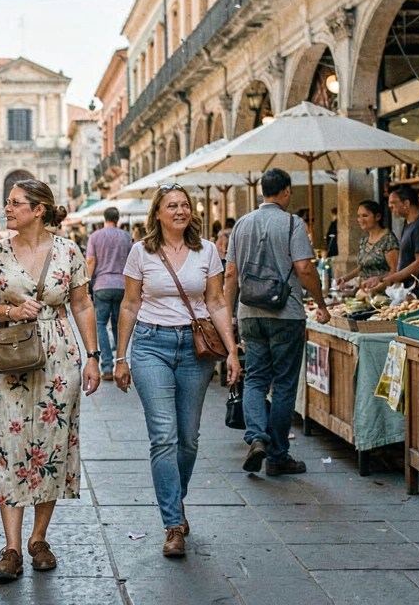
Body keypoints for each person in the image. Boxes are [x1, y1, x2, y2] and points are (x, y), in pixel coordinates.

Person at [0, 179, 100, 581]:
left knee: (50, 445)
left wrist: (93, 357)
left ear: (39, 209)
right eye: (7, 202)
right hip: (10, 355)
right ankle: (11, 547)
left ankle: (38, 539)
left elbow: (82, 304)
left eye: (15, 203)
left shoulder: (68, 251)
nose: (7, 208)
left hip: (59, 357)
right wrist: (9, 311)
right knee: (8, 446)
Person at [113, 184, 241, 557]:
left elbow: (217, 301)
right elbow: (130, 304)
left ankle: (174, 499)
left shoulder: (208, 251)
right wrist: (120, 357)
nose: (180, 211)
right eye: (172, 206)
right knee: (164, 436)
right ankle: (172, 524)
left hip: (196, 349)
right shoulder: (141, 252)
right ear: (158, 214)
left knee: (188, 439)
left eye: (185, 205)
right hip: (151, 346)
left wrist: (232, 351)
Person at [225, 169, 330, 477]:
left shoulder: (241, 224)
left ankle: (256, 436)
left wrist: (230, 313)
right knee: (283, 385)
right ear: (286, 192)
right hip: (287, 315)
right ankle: (278, 455)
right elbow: (305, 268)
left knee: (256, 378)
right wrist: (321, 305)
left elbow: (230, 275)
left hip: (249, 314)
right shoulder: (291, 223)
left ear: (261, 191)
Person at [86, 206, 132, 381]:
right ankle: (121, 361)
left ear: (103, 218)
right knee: (118, 325)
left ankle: (106, 366)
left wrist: (87, 284)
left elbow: (90, 261)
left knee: (100, 324)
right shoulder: (126, 236)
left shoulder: (95, 236)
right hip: (122, 284)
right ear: (118, 219)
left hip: (102, 285)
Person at [363, 186, 419, 297]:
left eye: (393, 203)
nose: (390, 207)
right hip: (405, 291)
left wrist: (389, 280)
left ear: (406, 204)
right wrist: (381, 279)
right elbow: (403, 265)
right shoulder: (408, 225)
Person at [334, 201, 400, 290]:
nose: (360, 220)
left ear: (378, 217)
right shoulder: (364, 241)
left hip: (383, 291)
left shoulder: (388, 239)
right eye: (358, 216)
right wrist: (345, 279)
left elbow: (395, 271)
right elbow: (361, 268)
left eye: (365, 216)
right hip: (364, 290)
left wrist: (379, 279)